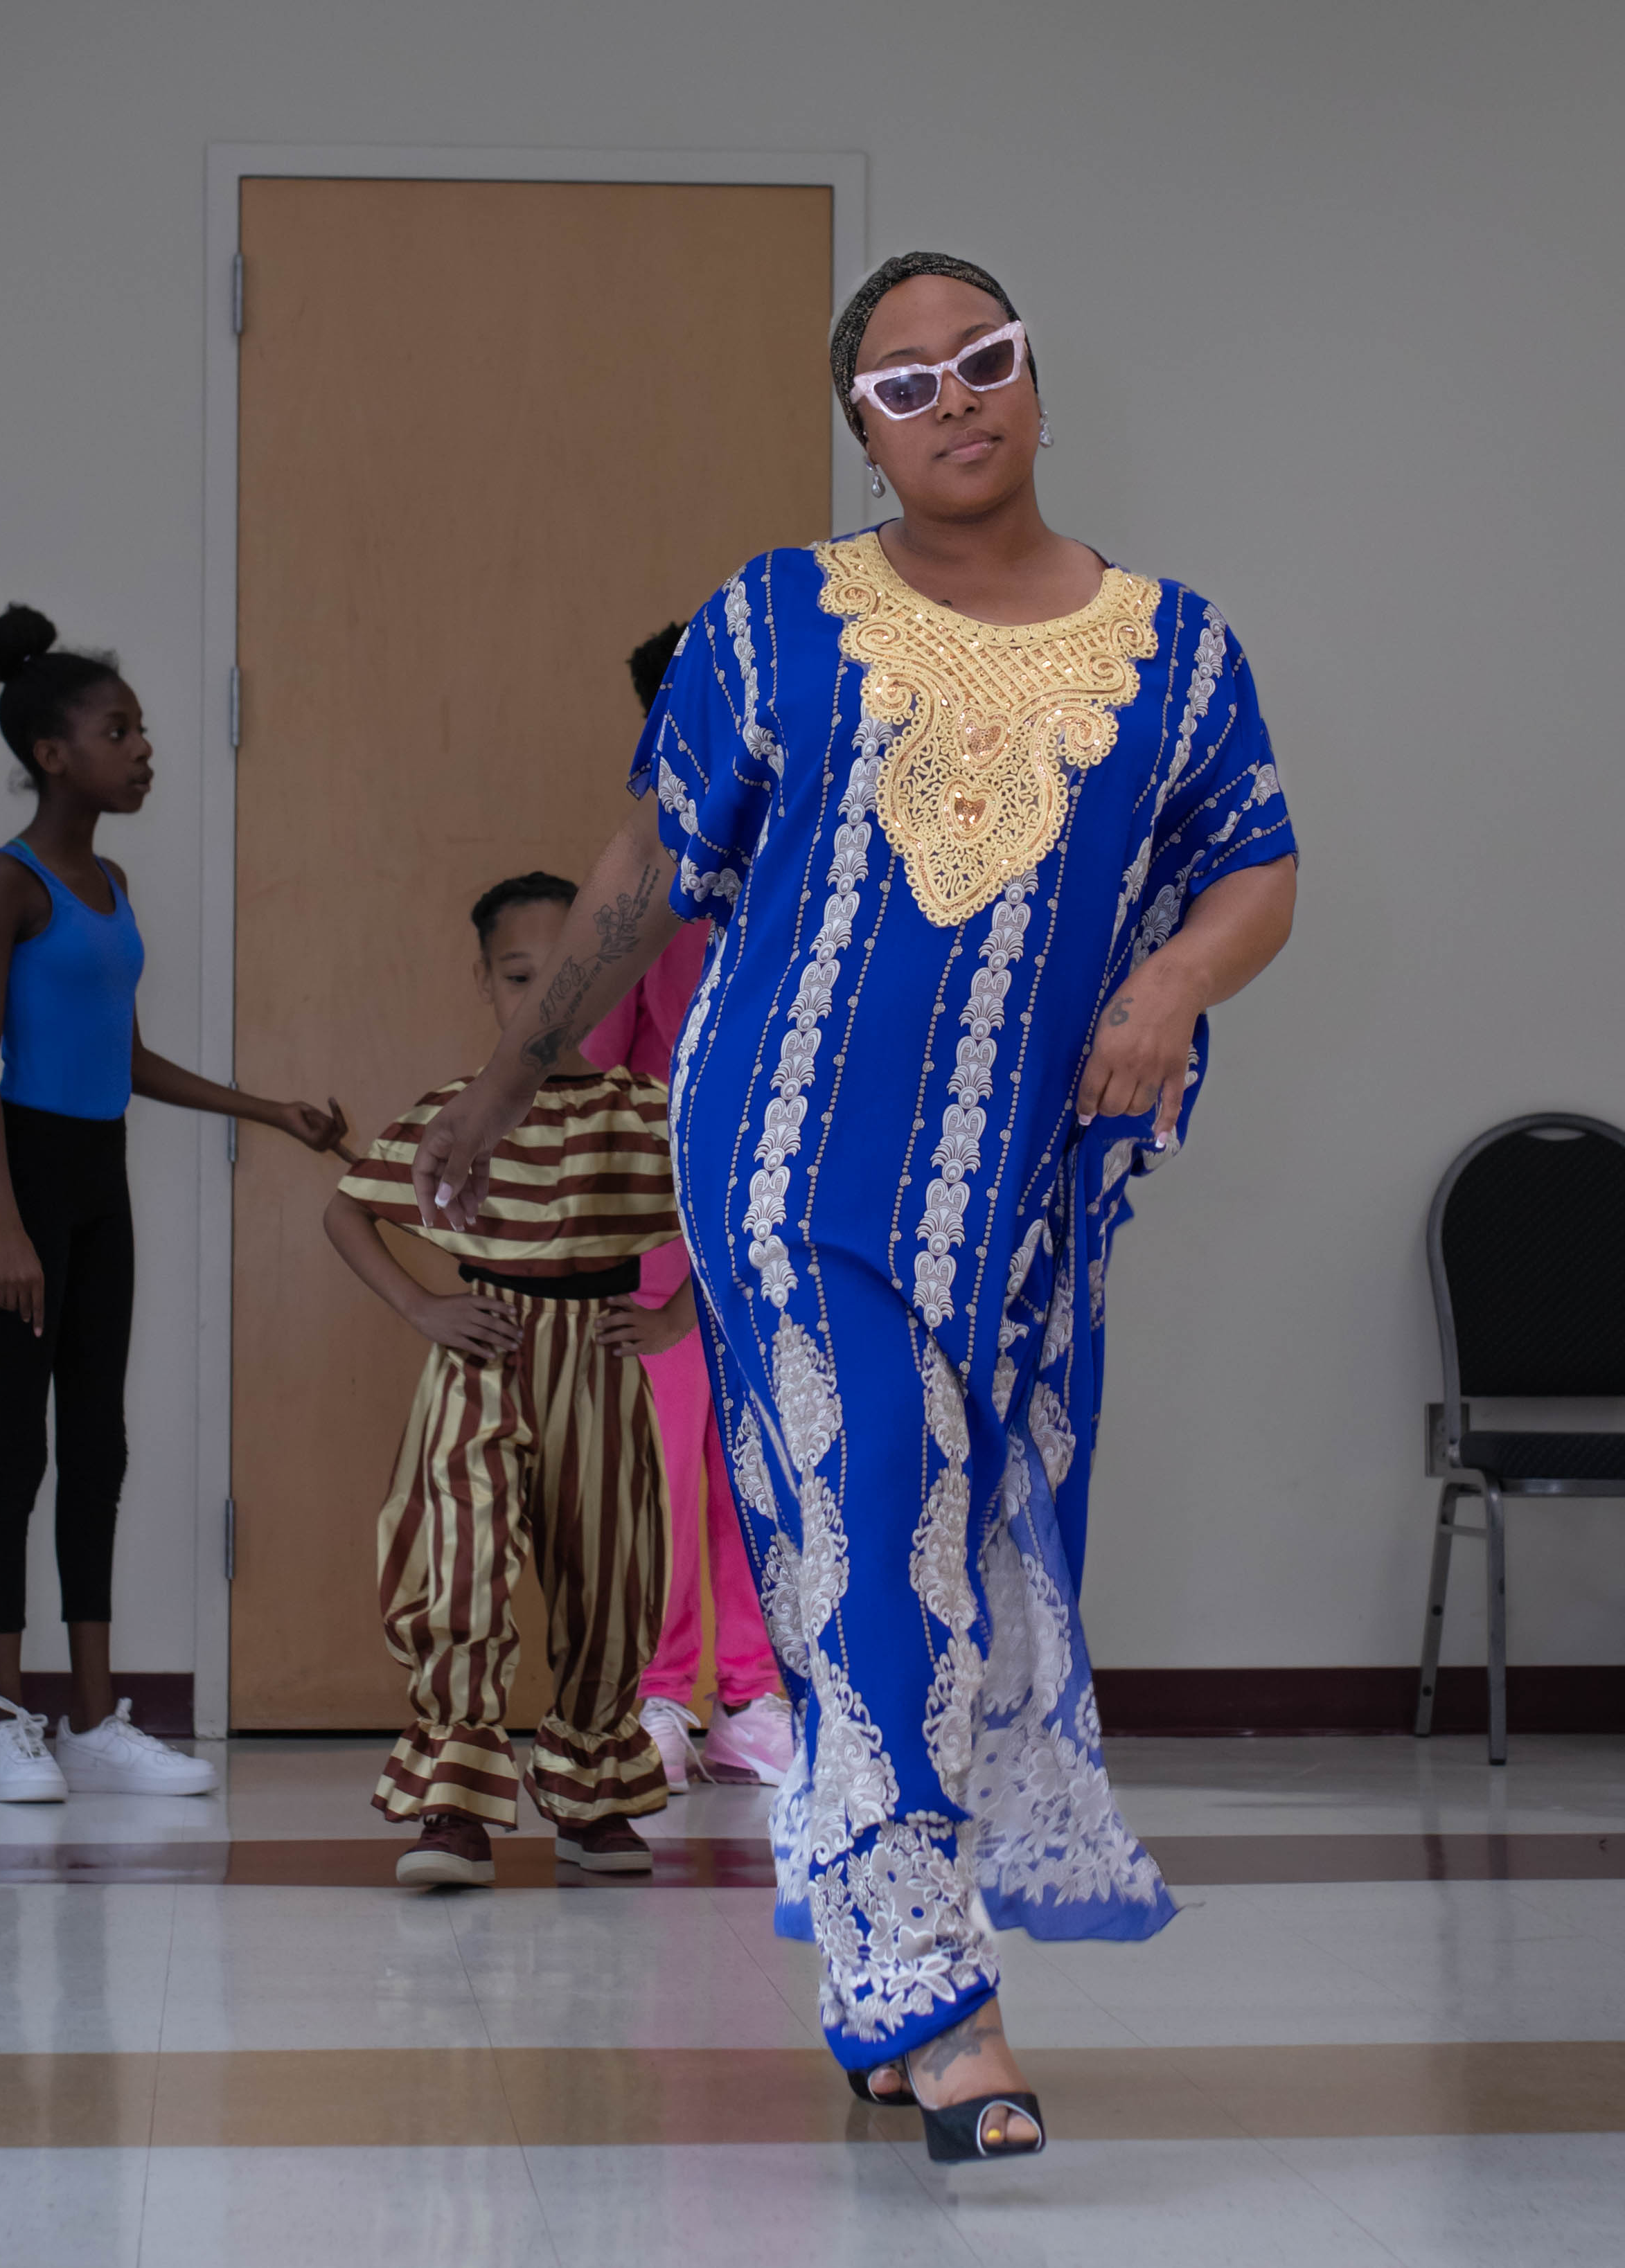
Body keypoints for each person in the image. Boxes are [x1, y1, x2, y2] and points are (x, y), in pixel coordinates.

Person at [409, 253, 1297, 2161]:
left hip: (1021, 1190)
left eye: (983, 359)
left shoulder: (1178, 648)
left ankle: (880, 1962)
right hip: (790, 1154)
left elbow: (1257, 866)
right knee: (876, 1508)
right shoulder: (775, 619)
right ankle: (940, 2001)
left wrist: (1170, 984)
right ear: (863, 435)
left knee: (932, 1563)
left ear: (1037, 385)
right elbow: (649, 861)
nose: (952, 396)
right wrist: (507, 1078)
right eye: (904, 381)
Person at [0, 605, 346, 1804]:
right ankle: (4, 1719)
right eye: (118, 732)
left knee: (99, 1440)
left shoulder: (113, 884)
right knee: (19, 1441)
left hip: (99, 1175)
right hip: (24, 1178)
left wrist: (269, 1110)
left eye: (141, 731)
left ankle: (92, 1720)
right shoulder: (8, 884)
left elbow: (124, 1061)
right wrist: (5, 1222)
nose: (143, 751)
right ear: (52, 755)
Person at [325, 872, 690, 1884]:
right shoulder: (458, 1112)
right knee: (457, 1558)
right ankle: (454, 1807)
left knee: (612, 1571)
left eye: (566, 975)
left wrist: (670, 1320)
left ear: (607, 978)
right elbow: (347, 1210)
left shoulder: (642, 1113)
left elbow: (738, 1218)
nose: (543, 998)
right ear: (484, 982)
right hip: (480, 1361)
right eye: (520, 977)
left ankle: (593, 1794)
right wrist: (423, 1308)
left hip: (600, 1367)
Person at [583, 623, 795, 1796]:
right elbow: (597, 1073)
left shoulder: (809, 867)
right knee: (665, 1469)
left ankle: (756, 1700)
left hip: (779, 1226)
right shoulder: (645, 885)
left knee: (760, 1464)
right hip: (664, 1233)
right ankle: (662, 1696)